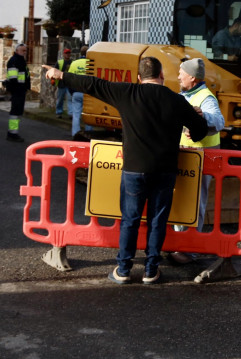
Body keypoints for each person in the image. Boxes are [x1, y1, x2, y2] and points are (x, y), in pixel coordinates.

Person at [42, 57, 208, 285]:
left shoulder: (127, 92)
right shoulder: (176, 100)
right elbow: (200, 131)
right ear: (161, 76)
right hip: (165, 170)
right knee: (158, 221)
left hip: (134, 170)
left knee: (130, 219)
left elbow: (92, 84)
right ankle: (151, 271)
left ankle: (123, 269)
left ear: (139, 78)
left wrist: (60, 75)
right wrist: (193, 124)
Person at [169, 58, 225, 265]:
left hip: (201, 156)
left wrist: (204, 117)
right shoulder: (185, 95)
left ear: (192, 77)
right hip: (187, 155)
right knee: (182, 200)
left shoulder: (205, 97)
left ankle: (189, 249)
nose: (178, 76)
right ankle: (178, 245)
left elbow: (219, 121)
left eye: (181, 73)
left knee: (195, 203)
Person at [5, 44, 30, 142]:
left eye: (25, 50)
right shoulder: (14, 61)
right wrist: (16, 90)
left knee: (17, 112)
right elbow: (13, 78)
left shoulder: (20, 60)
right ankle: (12, 133)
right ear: (17, 50)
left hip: (20, 90)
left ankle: (13, 132)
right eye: (23, 50)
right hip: (17, 91)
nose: (24, 52)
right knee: (15, 112)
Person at [68, 46, 92, 139]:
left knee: (76, 115)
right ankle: (89, 134)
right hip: (88, 93)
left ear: (80, 53)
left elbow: (69, 79)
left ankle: (75, 134)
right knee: (89, 115)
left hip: (76, 92)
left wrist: (72, 92)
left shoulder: (74, 63)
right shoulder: (91, 63)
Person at [54, 48, 73, 118]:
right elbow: (55, 71)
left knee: (70, 99)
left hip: (69, 84)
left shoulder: (72, 62)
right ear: (63, 54)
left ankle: (70, 114)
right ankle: (59, 112)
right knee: (60, 99)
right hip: (61, 84)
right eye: (66, 53)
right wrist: (54, 79)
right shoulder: (59, 62)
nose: (67, 54)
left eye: (68, 53)